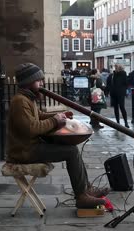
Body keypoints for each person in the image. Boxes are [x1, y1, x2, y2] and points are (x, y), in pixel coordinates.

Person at [7, 63, 109, 209]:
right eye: (39, 80)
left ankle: (86, 189)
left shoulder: (27, 99)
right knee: (71, 152)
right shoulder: (20, 101)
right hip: (24, 151)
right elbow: (32, 128)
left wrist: (58, 115)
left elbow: (39, 116)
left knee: (71, 148)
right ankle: (81, 197)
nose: (42, 83)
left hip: (30, 147)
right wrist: (55, 120)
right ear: (29, 82)